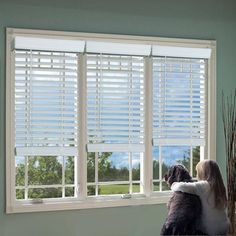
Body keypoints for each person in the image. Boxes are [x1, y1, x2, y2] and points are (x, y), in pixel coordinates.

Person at [171, 160, 230, 236]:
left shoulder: (204, 185)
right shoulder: (220, 187)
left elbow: (181, 187)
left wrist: (174, 184)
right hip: (224, 225)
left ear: (203, 173)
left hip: (210, 229)